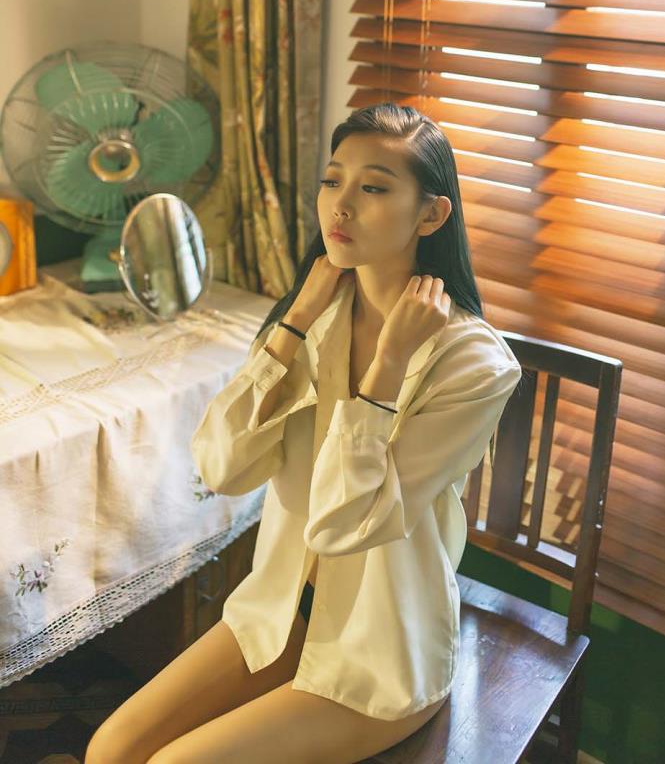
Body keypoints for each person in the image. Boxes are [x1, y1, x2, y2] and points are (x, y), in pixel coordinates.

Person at [85, 103, 522, 764]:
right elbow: (222, 468)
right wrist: (292, 325)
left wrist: (386, 370)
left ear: (431, 215)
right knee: (109, 750)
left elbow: (347, 525)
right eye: (332, 180)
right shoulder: (315, 316)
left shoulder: (475, 366)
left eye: (373, 188)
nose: (340, 206)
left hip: (377, 649)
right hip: (279, 608)